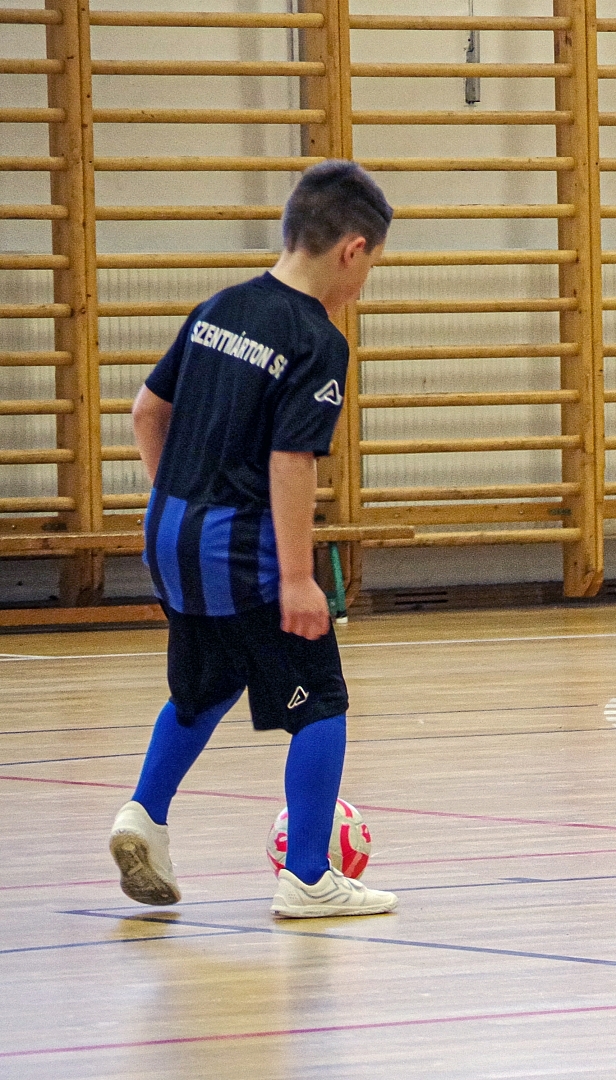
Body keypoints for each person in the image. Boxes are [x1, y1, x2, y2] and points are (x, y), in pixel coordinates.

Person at [108, 160, 399, 919]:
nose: (364, 285)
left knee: (205, 684)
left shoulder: (220, 307)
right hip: (240, 548)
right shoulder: (315, 339)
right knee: (320, 700)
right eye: (372, 267)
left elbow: (145, 412)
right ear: (353, 250)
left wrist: (179, 503)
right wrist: (299, 579)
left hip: (169, 532)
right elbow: (291, 460)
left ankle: (143, 815)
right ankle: (308, 877)